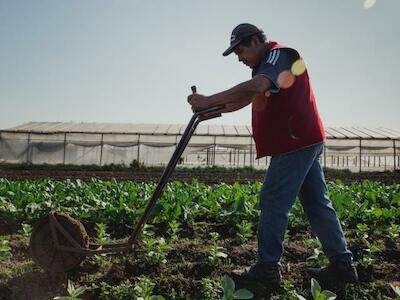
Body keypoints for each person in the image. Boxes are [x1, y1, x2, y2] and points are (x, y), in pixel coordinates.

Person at [187, 23, 358, 290]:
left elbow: (256, 86)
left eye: (240, 50)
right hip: (302, 140)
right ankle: (342, 266)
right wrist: (210, 109)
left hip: (294, 142)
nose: (239, 57)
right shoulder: (264, 68)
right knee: (316, 204)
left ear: (255, 41)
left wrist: (208, 100)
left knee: (273, 202)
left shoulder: (279, 55)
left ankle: (267, 269)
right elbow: (242, 99)